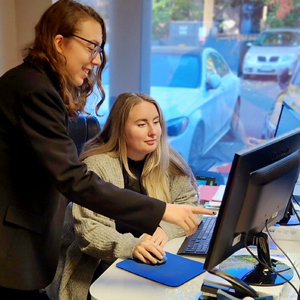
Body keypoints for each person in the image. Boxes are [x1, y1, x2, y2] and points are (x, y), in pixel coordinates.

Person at [0, 1, 212, 298]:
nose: (97, 60)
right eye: (92, 47)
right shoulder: (34, 91)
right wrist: (164, 211)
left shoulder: (36, 86)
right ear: (60, 43)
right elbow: (74, 181)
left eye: (99, 50)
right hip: (12, 249)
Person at [46, 92, 211, 300]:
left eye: (156, 122)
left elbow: (189, 205)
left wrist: (165, 230)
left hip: (150, 262)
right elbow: (90, 232)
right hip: (100, 267)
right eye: (141, 124)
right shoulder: (98, 165)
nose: (153, 132)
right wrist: (132, 246)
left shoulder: (165, 157)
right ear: (120, 129)